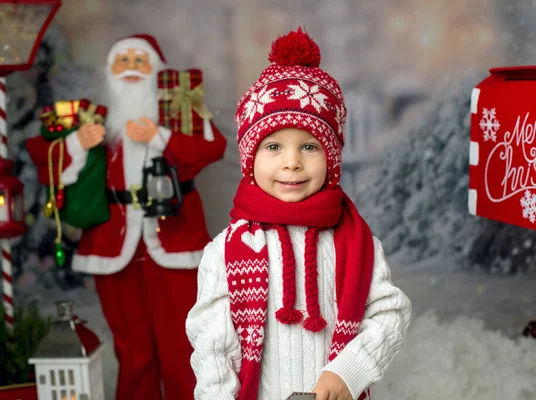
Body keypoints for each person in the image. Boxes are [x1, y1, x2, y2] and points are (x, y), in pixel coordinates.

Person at [185, 27, 411, 400]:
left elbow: (391, 314)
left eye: (309, 146)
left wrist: (347, 371)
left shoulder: (354, 243)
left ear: (332, 159)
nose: (292, 163)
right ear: (249, 159)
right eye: (273, 146)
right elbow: (212, 348)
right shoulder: (225, 251)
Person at [26, 33, 227, 400]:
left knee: (181, 342)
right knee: (132, 347)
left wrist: (159, 135)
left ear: (158, 70)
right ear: (109, 71)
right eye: (124, 60)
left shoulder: (179, 110)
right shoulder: (92, 115)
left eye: (140, 60)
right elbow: (39, 150)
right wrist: (77, 143)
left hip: (173, 240)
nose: (132, 68)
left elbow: (213, 148)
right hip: (111, 246)